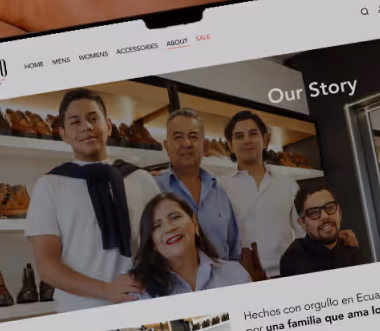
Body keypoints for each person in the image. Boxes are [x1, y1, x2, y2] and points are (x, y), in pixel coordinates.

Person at [26, 88, 160, 312]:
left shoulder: (141, 179)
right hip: (80, 309)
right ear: (63, 133)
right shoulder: (50, 185)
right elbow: (47, 266)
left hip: (140, 302)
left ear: (108, 126)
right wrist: (106, 290)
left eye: (93, 118)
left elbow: (161, 245)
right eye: (75, 122)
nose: (86, 127)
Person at [219, 110, 300, 279]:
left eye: (253, 134)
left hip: (286, 275)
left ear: (264, 140)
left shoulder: (287, 183)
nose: (247, 140)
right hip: (241, 280)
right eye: (239, 136)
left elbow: (304, 231)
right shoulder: (219, 187)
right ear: (230, 145)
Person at [156, 109, 245, 263]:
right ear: (166, 145)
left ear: (204, 144)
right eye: (178, 137)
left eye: (193, 136)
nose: (187, 143)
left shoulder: (219, 192)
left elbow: (234, 253)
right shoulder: (154, 189)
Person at [130, 193, 251, 297]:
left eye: (175, 217)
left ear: (194, 223)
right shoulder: (140, 294)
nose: (169, 228)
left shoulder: (236, 275)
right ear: (153, 243)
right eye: (156, 226)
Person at [279, 183, 366, 276]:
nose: (325, 216)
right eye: (314, 213)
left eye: (329, 207)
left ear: (339, 213)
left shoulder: (351, 247)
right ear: (302, 223)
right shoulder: (294, 260)